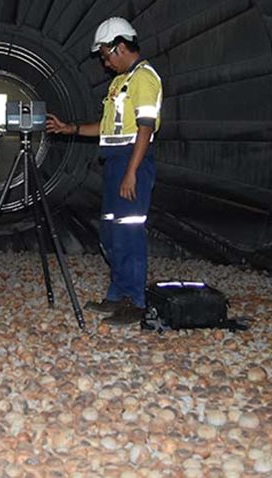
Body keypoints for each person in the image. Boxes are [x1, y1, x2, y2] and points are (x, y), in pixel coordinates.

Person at [46, 17, 162, 326]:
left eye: (106, 56)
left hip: (131, 162)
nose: (105, 63)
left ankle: (134, 301)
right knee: (111, 232)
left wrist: (132, 173)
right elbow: (108, 128)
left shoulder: (144, 79)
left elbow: (145, 129)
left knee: (129, 232)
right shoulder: (118, 83)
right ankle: (116, 294)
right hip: (114, 162)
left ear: (120, 46)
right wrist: (69, 128)